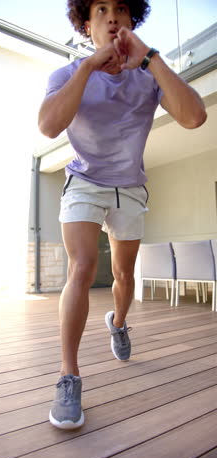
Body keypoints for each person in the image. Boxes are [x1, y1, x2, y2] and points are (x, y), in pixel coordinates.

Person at [38, 0, 207, 430]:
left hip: (130, 186)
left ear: (131, 22)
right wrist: (88, 67)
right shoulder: (66, 74)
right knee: (81, 267)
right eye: (100, 9)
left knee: (124, 276)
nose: (111, 16)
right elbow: (49, 126)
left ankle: (119, 322)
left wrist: (149, 58)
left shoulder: (148, 76)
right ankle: (68, 376)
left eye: (120, 10)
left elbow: (194, 116)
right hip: (84, 180)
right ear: (86, 24)